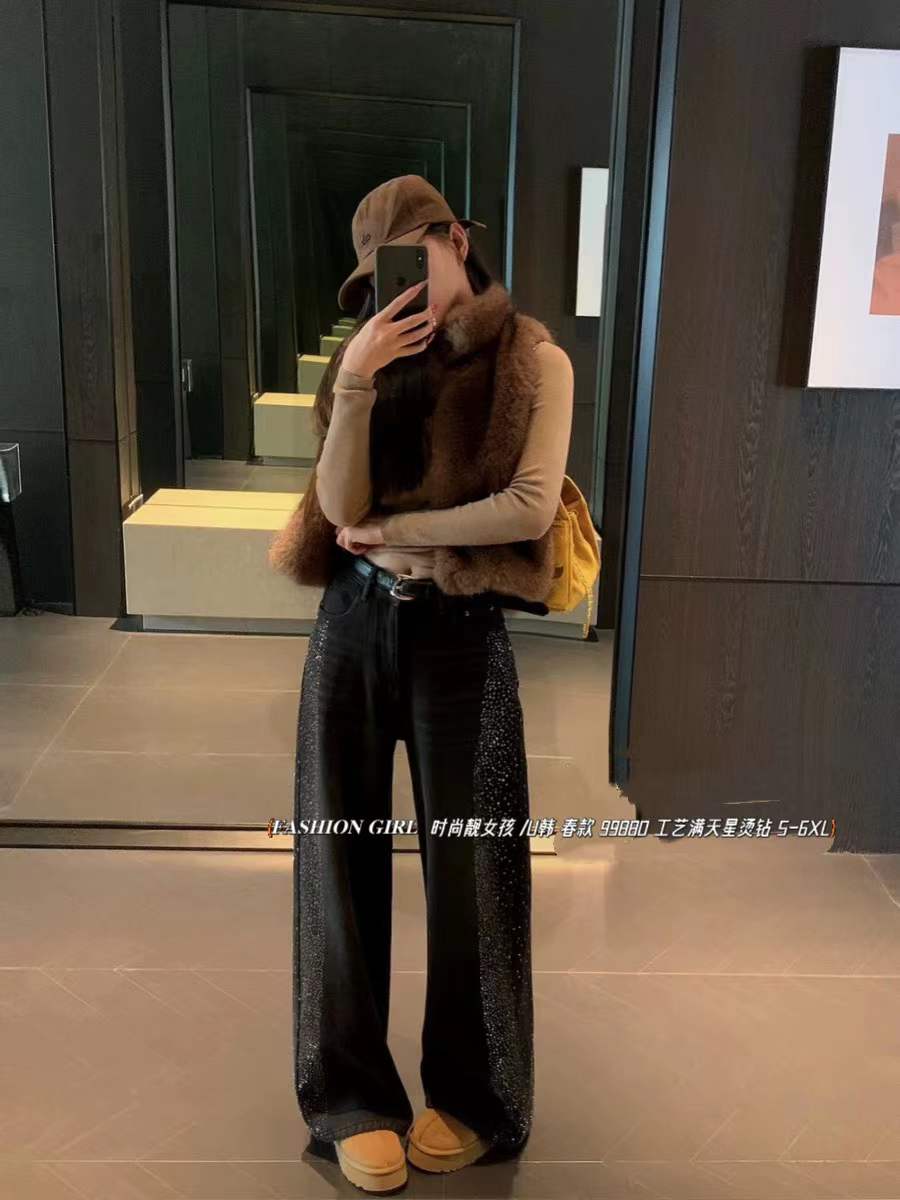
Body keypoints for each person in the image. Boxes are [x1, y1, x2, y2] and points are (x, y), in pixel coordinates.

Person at [268, 175, 574, 1193]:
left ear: (456, 241)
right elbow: (336, 505)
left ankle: (479, 1097)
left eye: (415, 261)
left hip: (459, 631)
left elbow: (528, 508)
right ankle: (349, 1096)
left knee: (475, 868)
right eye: (377, 278)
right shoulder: (365, 358)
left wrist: (398, 531)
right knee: (336, 856)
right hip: (352, 624)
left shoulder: (532, 360)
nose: (399, 290)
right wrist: (357, 379)